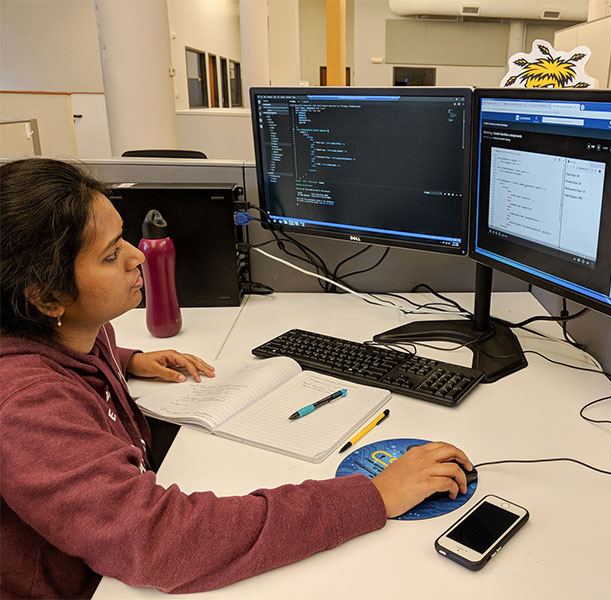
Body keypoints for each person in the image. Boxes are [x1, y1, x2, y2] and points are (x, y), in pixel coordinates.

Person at [0, 158, 472, 599]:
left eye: (124, 238)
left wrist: (128, 359)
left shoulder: (70, 328)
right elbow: (159, 542)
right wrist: (371, 497)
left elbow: (59, 357)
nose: (137, 257)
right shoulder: (27, 407)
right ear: (45, 298)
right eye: (109, 256)